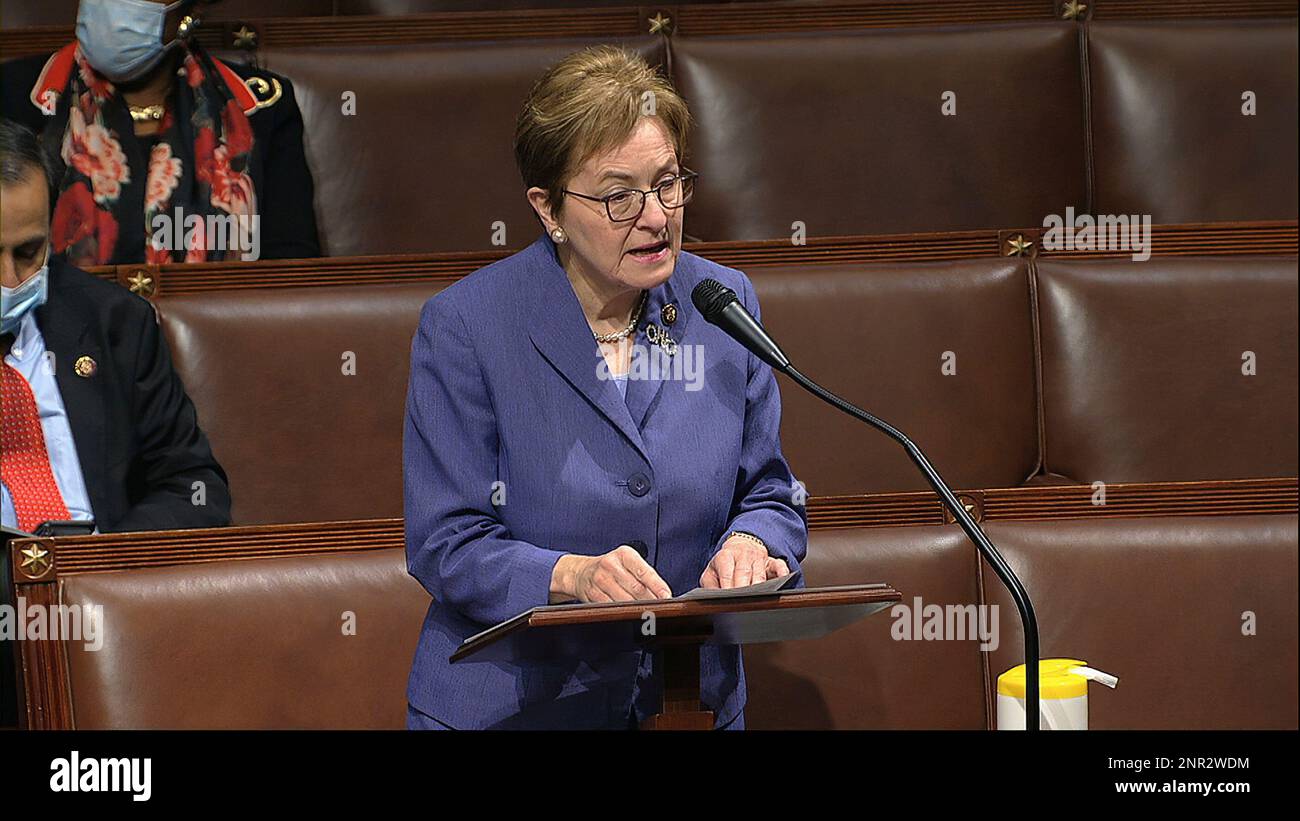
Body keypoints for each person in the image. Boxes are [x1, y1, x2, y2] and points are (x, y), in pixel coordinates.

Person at [403, 46, 807, 730]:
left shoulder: (722, 304)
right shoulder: (468, 326)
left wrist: (753, 541)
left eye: (669, 183)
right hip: (518, 709)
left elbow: (769, 493)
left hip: (685, 702)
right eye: (619, 196)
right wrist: (570, 574)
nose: (655, 216)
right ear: (549, 209)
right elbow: (447, 541)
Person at [0, 118, 231, 534]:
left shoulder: (115, 322)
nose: (10, 279)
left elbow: (193, 486)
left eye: (29, 252)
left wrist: (108, 564)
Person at [0, 0, 319, 266]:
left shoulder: (261, 108)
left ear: (191, 10)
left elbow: (290, 276)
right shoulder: (12, 96)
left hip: (223, 335)